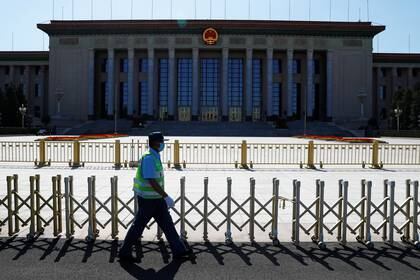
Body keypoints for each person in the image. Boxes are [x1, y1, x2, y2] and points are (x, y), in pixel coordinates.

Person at [118, 131, 191, 262]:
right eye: (161, 142)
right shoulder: (149, 158)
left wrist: (162, 197)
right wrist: (166, 196)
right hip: (148, 200)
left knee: (168, 224)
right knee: (138, 226)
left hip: (156, 199)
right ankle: (124, 252)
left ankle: (178, 251)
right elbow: (151, 180)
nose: (163, 144)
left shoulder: (154, 155)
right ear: (155, 143)